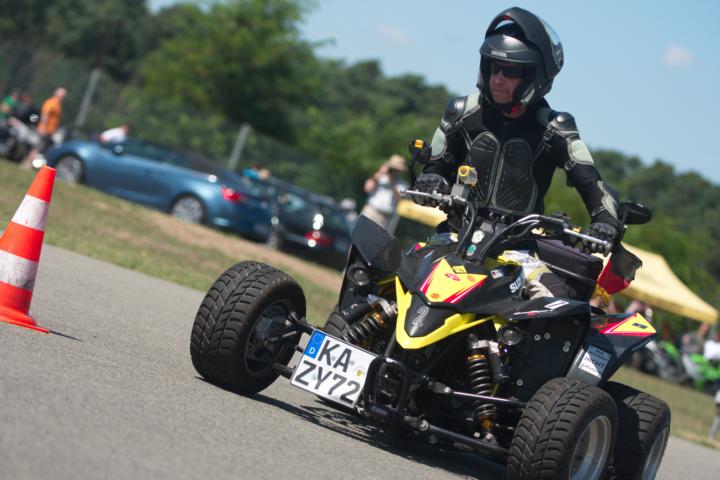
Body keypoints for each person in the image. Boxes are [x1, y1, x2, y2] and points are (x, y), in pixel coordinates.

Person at [411, 7, 621, 299]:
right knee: (389, 277)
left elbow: (592, 184)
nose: (498, 78)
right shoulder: (461, 112)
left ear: (536, 76)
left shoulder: (556, 128)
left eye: (511, 71)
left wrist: (605, 223)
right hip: (453, 235)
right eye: (493, 67)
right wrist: (431, 179)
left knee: (555, 306)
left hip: (518, 251)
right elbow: (435, 166)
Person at [22, 87, 66, 168]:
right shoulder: (51, 102)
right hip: (45, 130)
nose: (63, 97)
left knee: (40, 148)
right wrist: (43, 128)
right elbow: (45, 115)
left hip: (50, 131)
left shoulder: (58, 105)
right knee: (37, 147)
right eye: (62, 95)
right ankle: (27, 164)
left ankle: (30, 164)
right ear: (56, 94)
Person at [361, 154, 408, 229]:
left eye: (396, 169)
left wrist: (392, 182)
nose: (394, 171)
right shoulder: (379, 177)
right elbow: (367, 188)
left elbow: (398, 199)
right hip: (370, 211)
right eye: (392, 168)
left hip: (384, 218)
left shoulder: (402, 184)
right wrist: (380, 172)